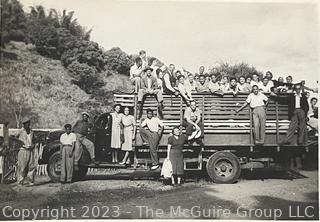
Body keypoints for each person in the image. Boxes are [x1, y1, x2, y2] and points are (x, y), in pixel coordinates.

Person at [16, 117, 36, 186]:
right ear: (23, 125)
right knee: (22, 167)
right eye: (26, 124)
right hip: (23, 150)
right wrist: (19, 143)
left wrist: (33, 145)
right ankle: (20, 181)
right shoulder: (20, 131)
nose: (28, 125)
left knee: (31, 166)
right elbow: (14, 138)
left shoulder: (31, 131)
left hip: (30, 151)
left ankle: (31, 181)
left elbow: (33, 140)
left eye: (28, 123)